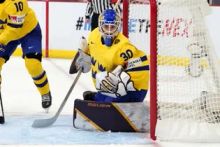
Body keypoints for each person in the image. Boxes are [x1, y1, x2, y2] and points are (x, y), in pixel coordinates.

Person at [70, 8, 149, 102]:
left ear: (118, 27)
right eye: (106, 26)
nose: (109, 31)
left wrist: (123, 80)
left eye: (112, 27)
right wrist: (83, 56)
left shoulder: (124, 47)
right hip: (108, 90)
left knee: (106, 103)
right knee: (92, 99)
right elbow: (76, 67)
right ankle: (100, 97)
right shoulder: (94, 35)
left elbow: (142, 62)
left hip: (133, 91)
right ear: (100, 26)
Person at [0, 0, 52, 110]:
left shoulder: (16, 2)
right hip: (4, 34)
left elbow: (14, 29)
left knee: (33, 65)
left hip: (28, 31)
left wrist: (1, 40)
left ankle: (45, 92)